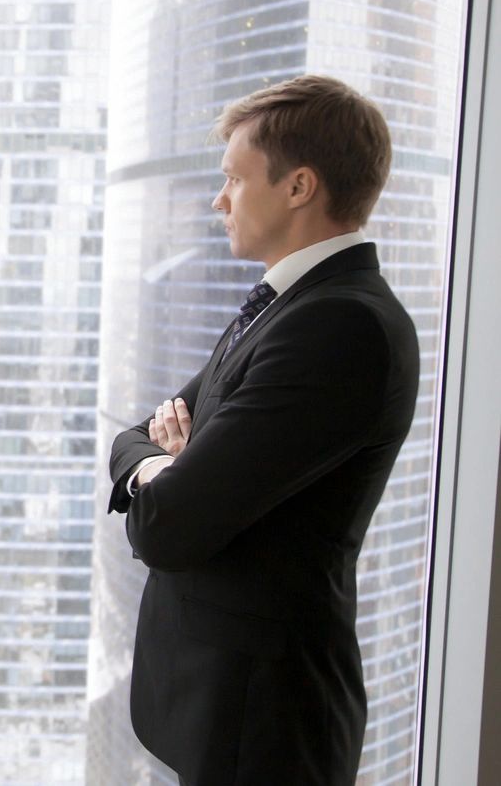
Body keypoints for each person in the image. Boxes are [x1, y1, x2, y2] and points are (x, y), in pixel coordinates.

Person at [107, 75, 420, 785]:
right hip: (225, 709)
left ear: (298, 186)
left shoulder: (339, 326)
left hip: (266, 724)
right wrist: (166, 462)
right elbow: (135, 433)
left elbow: (168, 526)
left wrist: (165, 473)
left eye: (233, 179)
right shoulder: (285, 304)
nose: (218, 199)